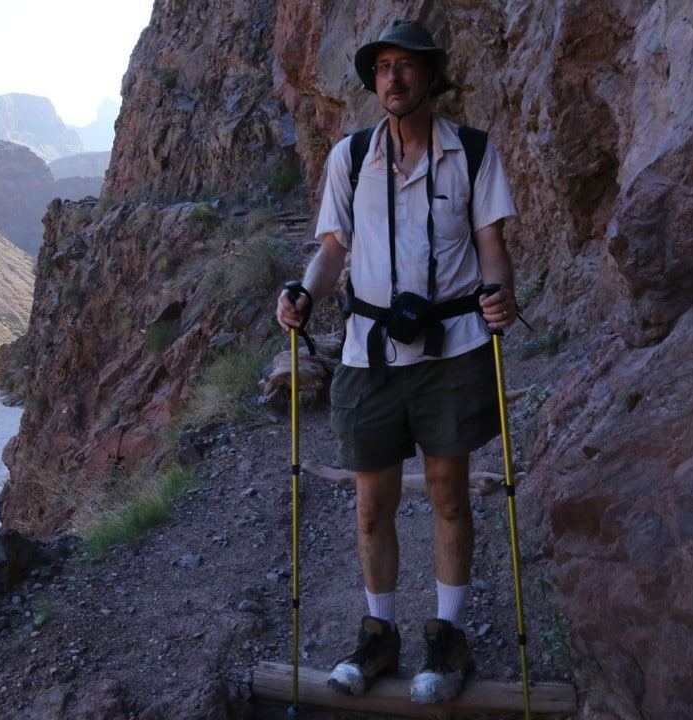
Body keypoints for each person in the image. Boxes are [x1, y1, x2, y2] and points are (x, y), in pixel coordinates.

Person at [275, 19, 520, 704]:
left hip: (454, 346)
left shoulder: (471, 153)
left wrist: (499, 293)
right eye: (383, 66)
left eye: (407, 66)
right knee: (370, 507)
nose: (394, 78)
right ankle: (379, 635)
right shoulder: (350, 158)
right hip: (369, 352)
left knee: (447, 494)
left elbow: (490, 242)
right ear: (373, 79)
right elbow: (331, 251)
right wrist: (301, 293)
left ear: (432, 76)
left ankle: (447, 637)